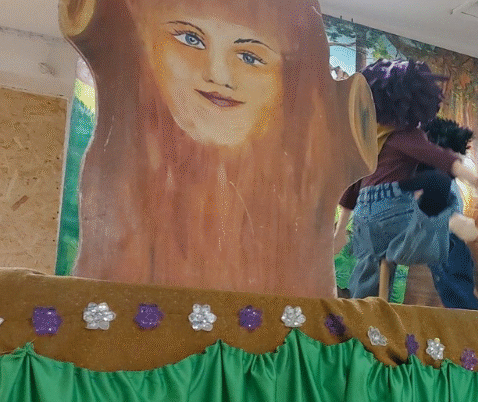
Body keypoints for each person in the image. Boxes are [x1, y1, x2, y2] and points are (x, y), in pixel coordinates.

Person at [60, 0, 375, 296]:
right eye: (191, 39)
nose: (218, 75)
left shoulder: (296, 181)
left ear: (287, 81)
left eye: (249, 57)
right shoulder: (129, 177)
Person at [332, 59, 478, 300]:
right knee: (422, 225)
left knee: (369, 269)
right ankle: (445, 222)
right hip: (391, 207)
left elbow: (353, 187)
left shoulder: (368, 139)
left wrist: (340, 230)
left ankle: (362, 309)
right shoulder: (405, 134)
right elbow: (437, 157)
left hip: (363, 217)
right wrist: (476, 181)